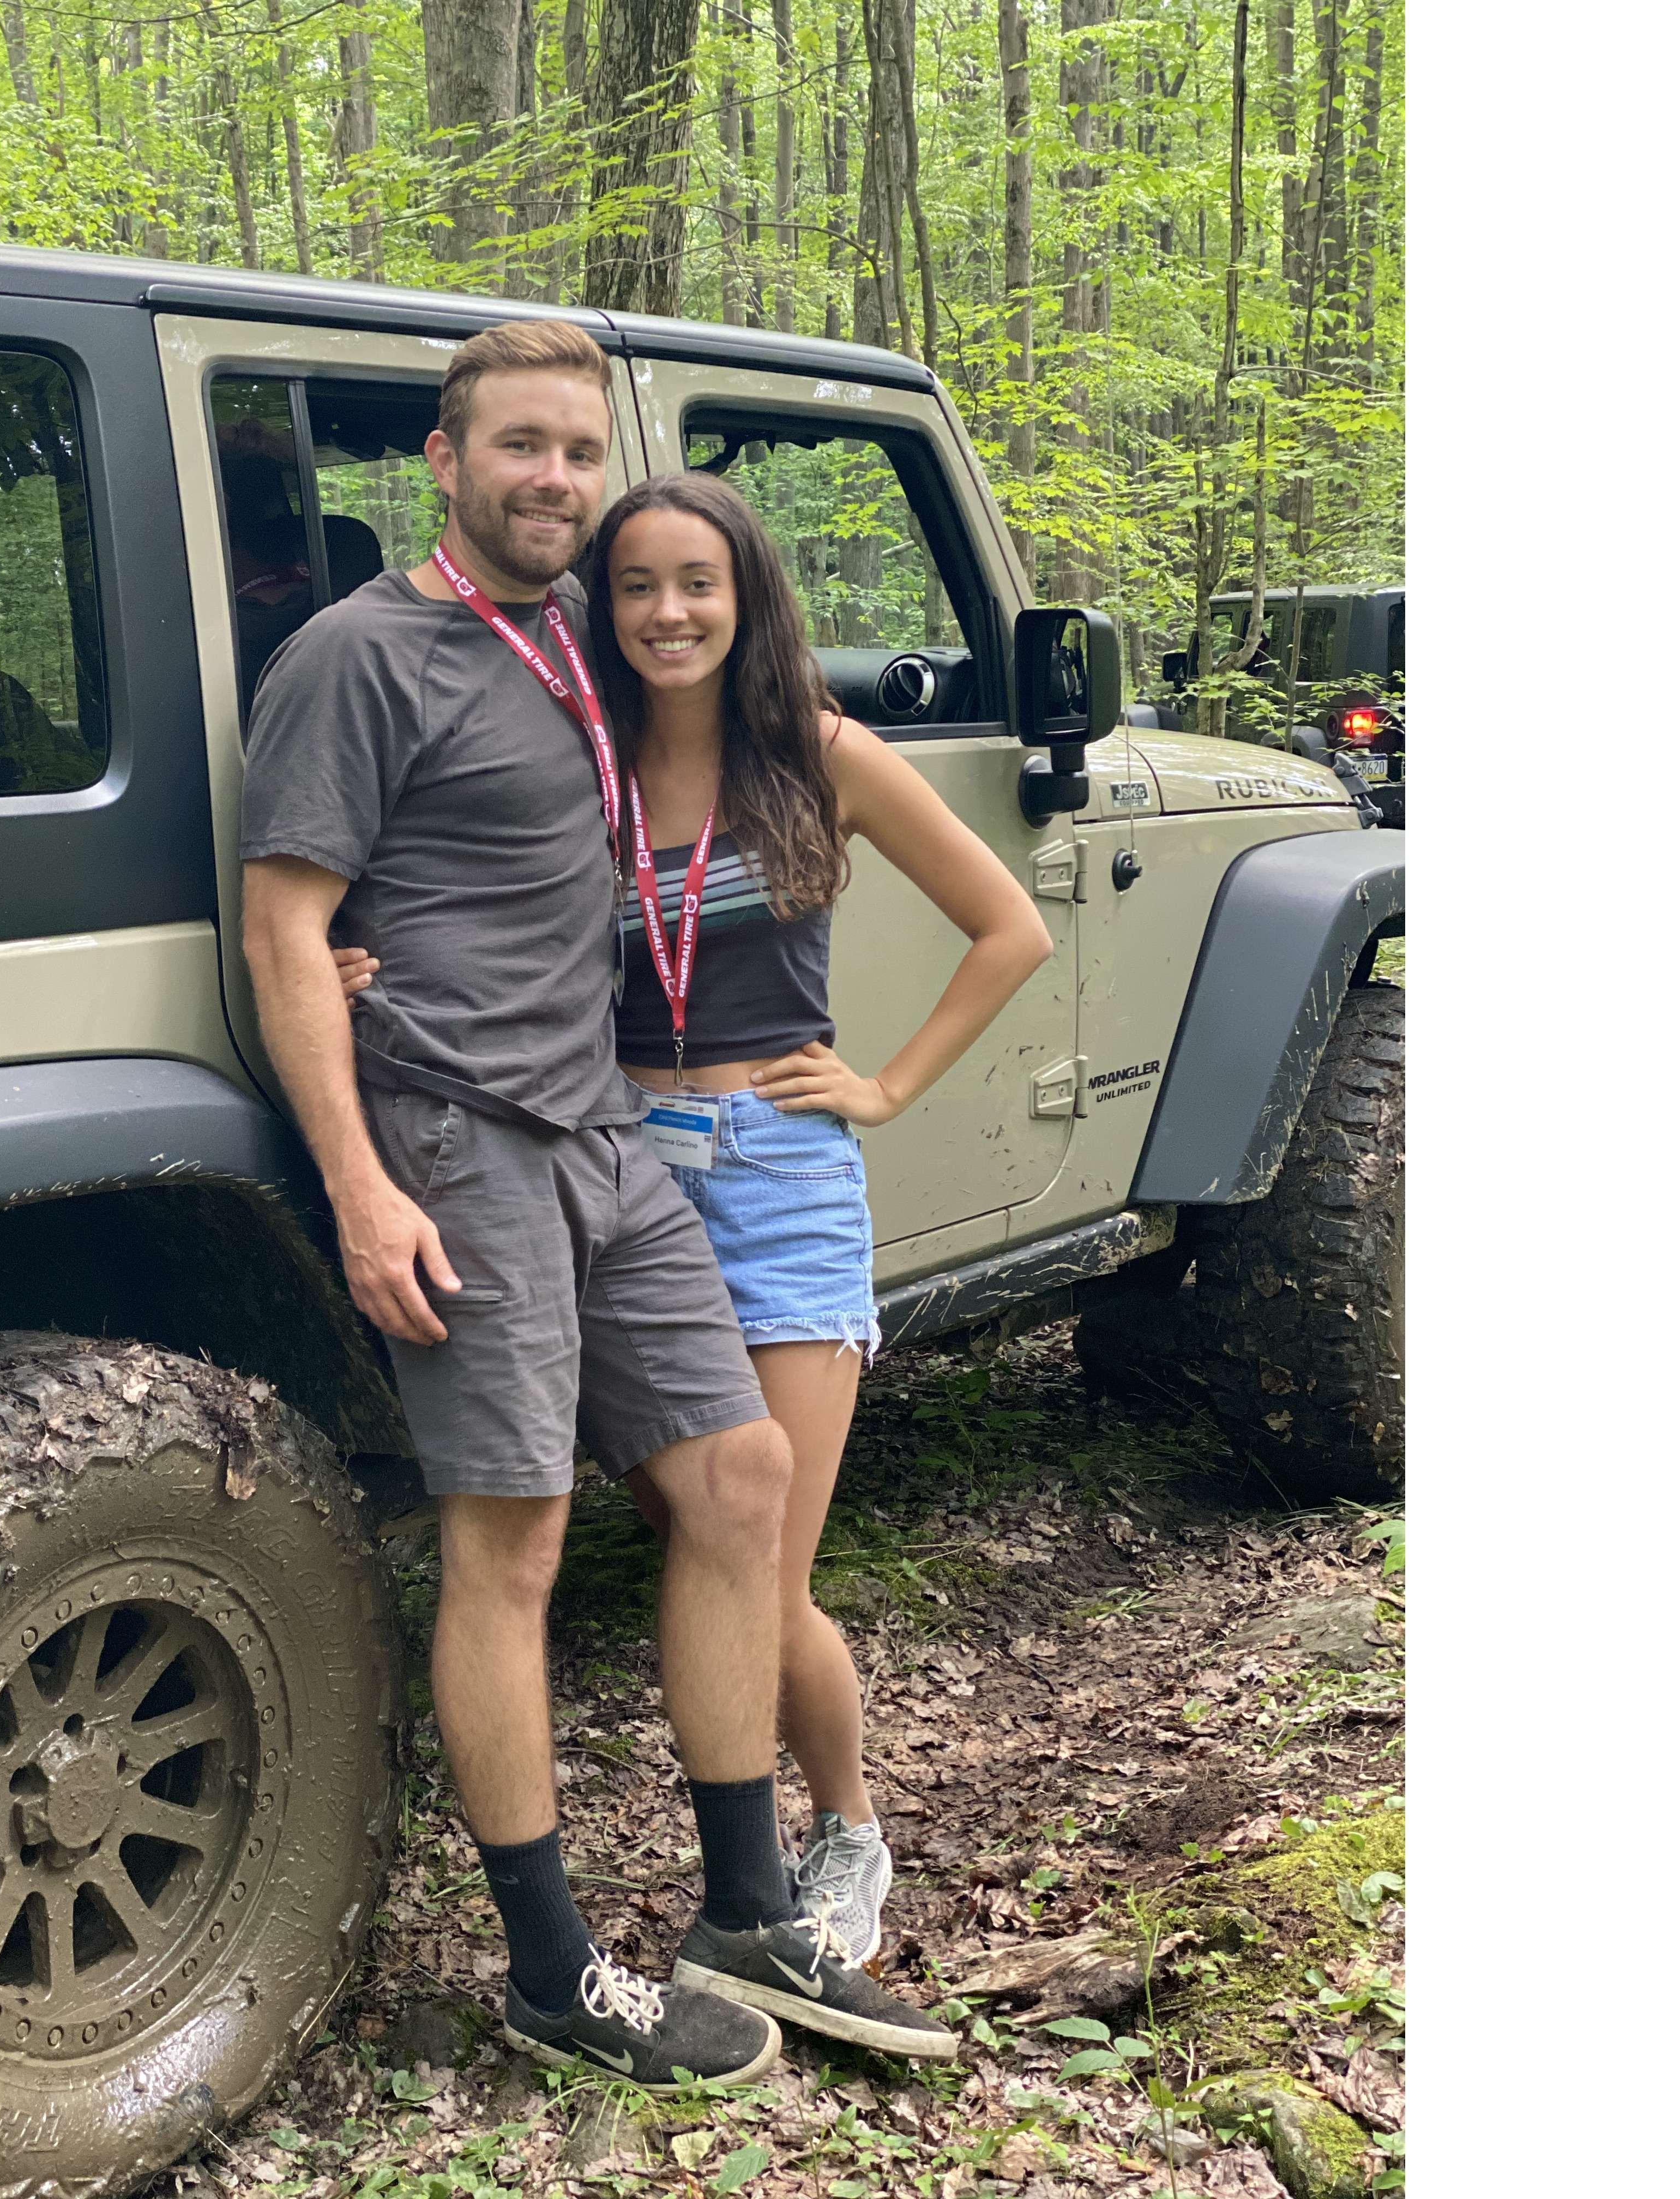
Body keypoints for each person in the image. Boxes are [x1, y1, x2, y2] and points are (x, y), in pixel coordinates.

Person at [239, 320, 956, 2089]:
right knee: (516, 1542)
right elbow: (282, 928)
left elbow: (715, 685)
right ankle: (556, 1973)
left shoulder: (594, 634)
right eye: (520, 450)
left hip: (608, 1135)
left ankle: (741, 1911)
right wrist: (357, 1179)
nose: (552, 480)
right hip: (460, 1139)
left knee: (739, 1479)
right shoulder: (358, 658)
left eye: (577, 450)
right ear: (444, 461)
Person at [339, 469, 1054, 1973]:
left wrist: (887, 1088)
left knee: (769, 1566)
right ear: (609, 608)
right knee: (699, 1534)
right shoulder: (572, 763)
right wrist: (363, 963)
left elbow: (1012, 925)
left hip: (777, 1174)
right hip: (612, 1171)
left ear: (747, 602)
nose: (671, 613)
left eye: (700, 585)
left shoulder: (822, 756)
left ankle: (844, 1828)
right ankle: (735, 1869)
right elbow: (476, 915)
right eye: (642, 586)